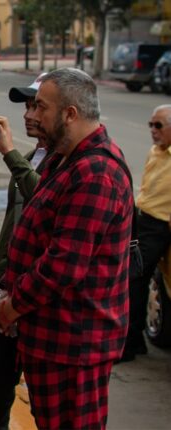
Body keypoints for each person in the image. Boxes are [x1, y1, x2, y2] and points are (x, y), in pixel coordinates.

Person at [0, 68, 133, 429]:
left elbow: (63, 264)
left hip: (73, 344)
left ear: (70, 113)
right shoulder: (61, 156)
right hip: (47, 335)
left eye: (41, 107)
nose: (32, 116)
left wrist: (11, 307)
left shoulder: (96, 172)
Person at [0, 73, 52, 430]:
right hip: (6, 288)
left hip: (37, 299)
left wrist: (8, 152)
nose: (28, 114)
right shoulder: (31, 154)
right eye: (27, 105)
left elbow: (46, 199)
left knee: (45, 403)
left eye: (38, 105)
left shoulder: (71, 163)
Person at [120, 104, 171, 362]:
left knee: (135, 279)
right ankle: (133, 340)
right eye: (151, 124)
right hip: (146, 220)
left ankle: (130, 343)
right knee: (135, 278)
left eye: (158, 125)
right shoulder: (157, 151)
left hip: (161, 225)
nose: (153, 130)